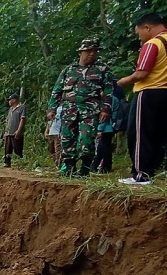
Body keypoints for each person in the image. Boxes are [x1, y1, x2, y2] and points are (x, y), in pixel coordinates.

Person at [117, 13, 167, 185]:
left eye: (139, 32)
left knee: (139, 134)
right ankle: (149, 172)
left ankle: (140, 175)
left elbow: (142, 73)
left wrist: (123, 81)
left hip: (148, 92)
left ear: (147, 27)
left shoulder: (152, 44)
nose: (139, 37)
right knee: (156, 134)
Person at [47, 37, 113, 177]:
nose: (92, 54)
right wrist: (51, 109)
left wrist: (106, 108)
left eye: (94, 51)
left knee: (87, 139)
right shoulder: (68, 70)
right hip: (69, 110)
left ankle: (84, 169)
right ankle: (69, 167)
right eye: (88, 51)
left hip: (90, 111)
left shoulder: (102, 69)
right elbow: (56, 90)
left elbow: (108, 90)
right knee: (67, 138)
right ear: (80, 52)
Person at [91, 84, 125, 173]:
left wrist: (100, 129)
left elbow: (104, 116)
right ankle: (101, 166)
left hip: (106, 127)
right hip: (111, 126)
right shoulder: (115, 99)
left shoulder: (109, 100)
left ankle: (104, 167)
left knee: (103, 148)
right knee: (105, 147)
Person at [3, 93, 26, 168]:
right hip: (8, 132)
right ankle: (7, 163)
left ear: (14, 100)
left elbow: (22, 119)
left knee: (18, 148)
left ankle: (19, 163)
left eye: (10, 100)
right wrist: (5, 132)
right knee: (7, 149)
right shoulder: (10, 109)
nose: (9, 101)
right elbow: (7, 120)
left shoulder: (22, 107)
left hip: (16, 131)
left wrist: (19, 130)